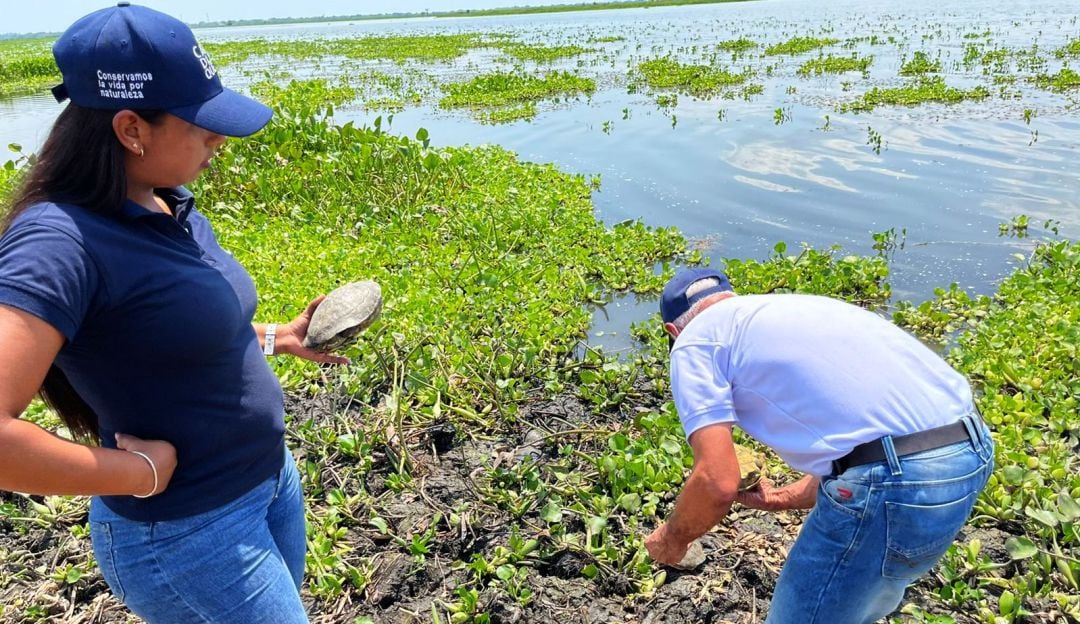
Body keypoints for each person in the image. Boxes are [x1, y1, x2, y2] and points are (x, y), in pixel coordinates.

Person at [0, 4, 346, 622]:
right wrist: (135, 473)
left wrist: (276, 338)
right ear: (132, 129)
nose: (219, 139)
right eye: (201, 124)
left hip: (268, 484)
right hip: (187, 533)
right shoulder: (58, 243)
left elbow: (168, 336)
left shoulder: (166, 202)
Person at [644, 268, 994, 623]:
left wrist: (672, 540)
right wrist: (784, 498)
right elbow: (868, 425)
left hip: (898, 482)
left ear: (672, 331)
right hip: (970, 454)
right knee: (853, 612)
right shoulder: (793, 310)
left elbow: (717, 481)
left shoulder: (694, 341)